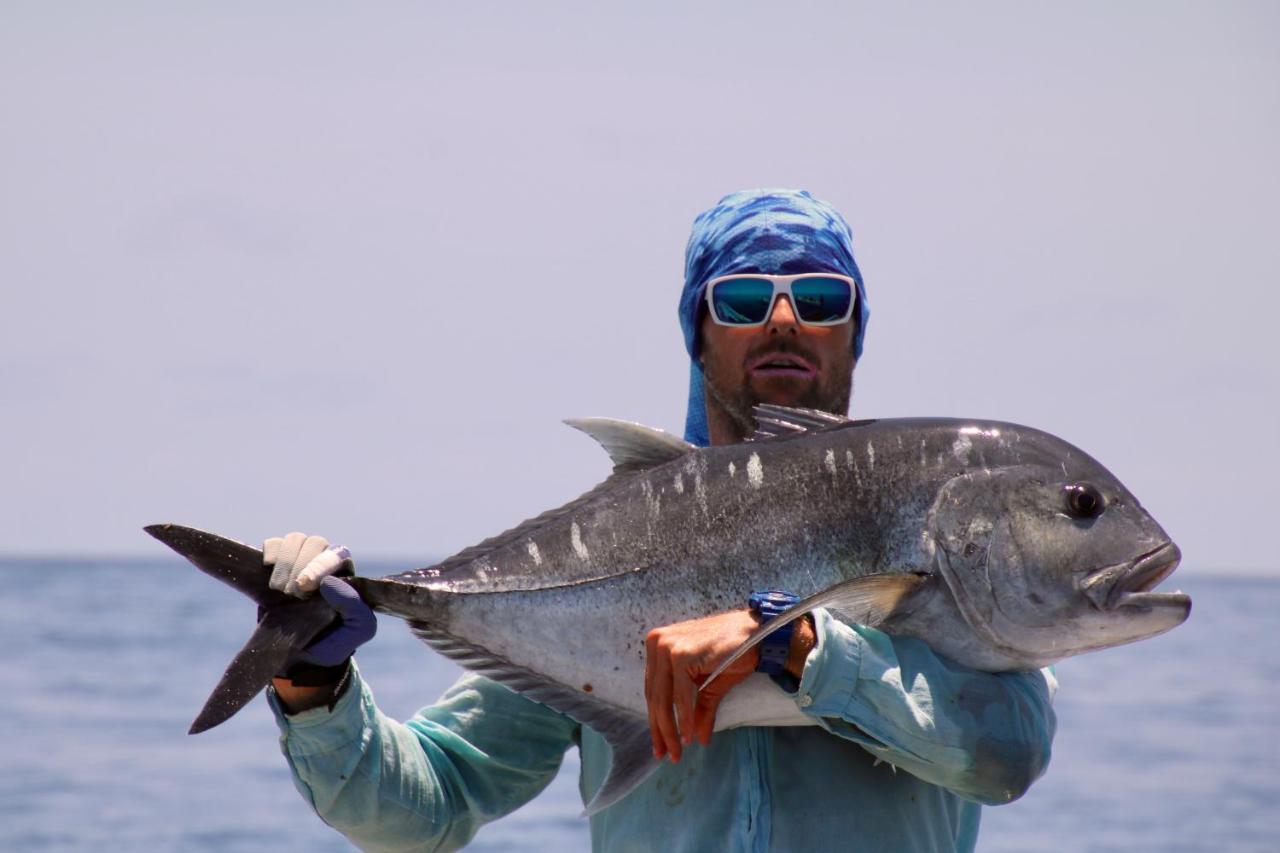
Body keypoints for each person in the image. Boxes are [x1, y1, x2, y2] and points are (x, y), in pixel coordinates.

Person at [263, 189, 1057, 852]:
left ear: (854, 332)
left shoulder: (935, 531)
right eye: (744, 298)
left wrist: (793, 643)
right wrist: (314, 684)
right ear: (697, 334)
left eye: (819, 298)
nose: (784, 319)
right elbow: (424, 806)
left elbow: (1005, 753)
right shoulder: (619, 547)